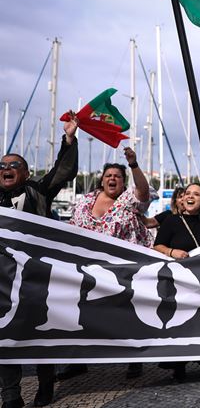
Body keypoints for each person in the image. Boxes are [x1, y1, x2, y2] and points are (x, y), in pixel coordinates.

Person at [0, 111, 78, 408]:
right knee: (3, 336)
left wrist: (68, 140)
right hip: (2, 281)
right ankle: (11, 395)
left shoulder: (39, 192)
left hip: (36, 277)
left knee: (40, 333)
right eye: (2, 166)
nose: (6, 169)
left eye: (14, 165)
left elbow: (63, 171)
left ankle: (46, 384)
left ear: (26, 173)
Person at [65, 146, 151, 381]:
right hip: (87, 267)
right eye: (108, 176)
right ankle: (78, 361)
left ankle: (135, 359)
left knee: (127, 312)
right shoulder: (85, 201)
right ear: (102, 180)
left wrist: (133, 164)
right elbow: (72, 228)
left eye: (117, 177)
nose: (112, 179)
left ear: (124, 182)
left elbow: (143, 193)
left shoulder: (128, 200)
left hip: (124, 269)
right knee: (80, 312)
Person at [153, 183, 200, 381]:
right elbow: (157, 246)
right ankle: (179, 366)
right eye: (188, 193)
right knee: (181, 323)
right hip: (180, 282)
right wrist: (172, 252)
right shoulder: (172, 221)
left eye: (196, 194)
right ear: (182, 199)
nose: (190, 197)